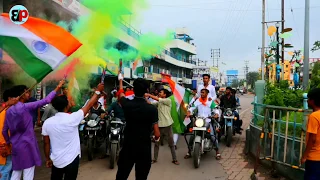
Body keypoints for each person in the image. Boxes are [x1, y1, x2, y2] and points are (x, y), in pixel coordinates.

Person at [2, 80, 65, 180]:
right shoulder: (25, 107)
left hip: (16, 146)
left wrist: (9, 143)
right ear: (21, 95)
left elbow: (4, 130)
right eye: (26, 92)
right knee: (28, 172)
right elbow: (46, 100)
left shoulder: (8, 111)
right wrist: (58, 86)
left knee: (16, 172)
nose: (29, 94)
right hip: (28, 146)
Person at [42, 83, 104, 180]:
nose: (71, 102)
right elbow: (89, 105)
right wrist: (98, 91)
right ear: (66, 106)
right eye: (69, 101)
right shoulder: (73, 118)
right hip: (72, 160)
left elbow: (46, 143)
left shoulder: (47, 123)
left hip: (56, 161)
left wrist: (47, 159)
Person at [116, 73, 160, 180]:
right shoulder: (152, 109)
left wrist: (120, 81)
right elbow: (157, 134)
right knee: (141, 177)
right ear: (147, 91)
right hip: (144, 149)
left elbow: (121, 95)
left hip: (128, 147)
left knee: (121, 176)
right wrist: (155, 137)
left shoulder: (127, 105)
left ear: (133, 90)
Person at [146, 89, 180, 165]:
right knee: (156, 143)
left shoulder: (168, 101)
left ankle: (175, 159)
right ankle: (154, 159)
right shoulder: (158, 102)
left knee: (171, 144)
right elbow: (150, 103)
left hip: (168, 125)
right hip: (159, 126)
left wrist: (149, 95)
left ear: (165, 95)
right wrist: (145, 98)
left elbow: (158, 99)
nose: (159, 93)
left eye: (161, 92)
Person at [185, 89, 221, 159]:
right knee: (192, 135)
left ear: (207, 94)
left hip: (207, 120)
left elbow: (216, 108)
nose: (201, 94)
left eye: (203, 93)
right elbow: (192, 107)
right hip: (199, 121)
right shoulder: (198, 101)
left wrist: (216, 113)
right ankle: (189, 151)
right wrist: (189, 112)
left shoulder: (210, 101)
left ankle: (217, 152)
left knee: (212, 136)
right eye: (201, 92)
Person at [301, 88, 320, 179]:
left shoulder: (314, 116)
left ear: (313, 101)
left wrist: (304, 156)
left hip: (314, 157)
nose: (307, 101)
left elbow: (312, 139)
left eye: (308, 99)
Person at [0, 90, 18, 180]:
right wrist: (5, 146)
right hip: (4, 148)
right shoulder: (6, 112)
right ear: (9, 98)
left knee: (8, 171)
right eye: (15, 97)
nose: (17, 99)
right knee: (5, 172)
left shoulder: (6, 110)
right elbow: (3, 131)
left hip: (7, 147)